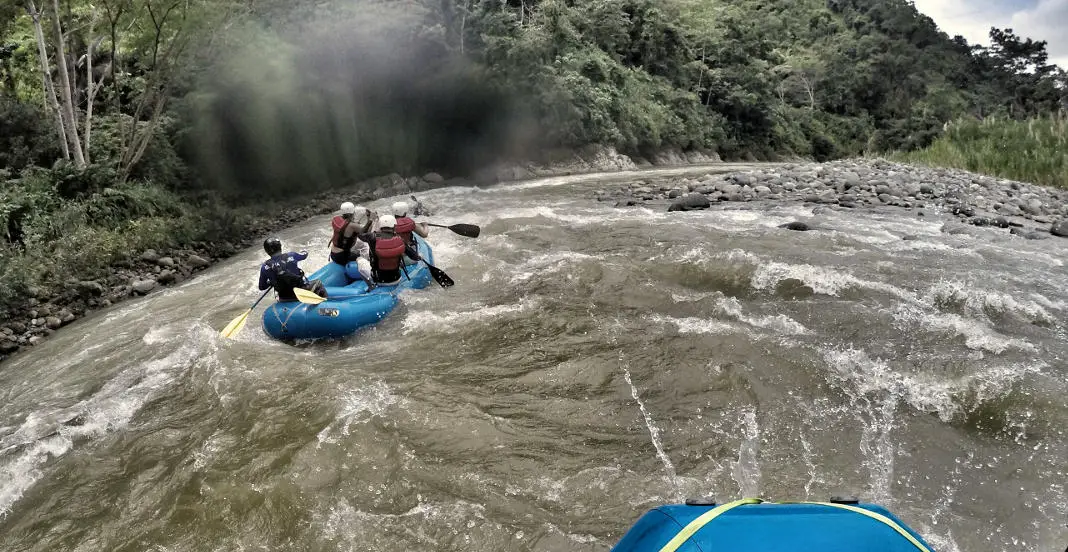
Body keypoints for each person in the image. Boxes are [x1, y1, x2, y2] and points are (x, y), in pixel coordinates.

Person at [259, 238, 326, 302]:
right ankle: (326, 304)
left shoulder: (264, 267)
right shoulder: (292, 255)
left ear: (267, 251)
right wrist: (304, 251)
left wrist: (271, 282)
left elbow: (262, 287)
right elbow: (304, 255)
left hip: (283, 297)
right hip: (301, 292)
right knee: (318, 283)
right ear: (280, 247)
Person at [360, 215, 422, 285]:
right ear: (394, 226)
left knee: (360, 260)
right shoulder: (400, 239)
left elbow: (360, 234)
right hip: (396, 279)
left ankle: (370, 286)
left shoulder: (372, 237)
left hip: (378, 280)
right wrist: (419, 257)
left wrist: (369, 222)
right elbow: (414, 257)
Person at [330, 202, 376, 289]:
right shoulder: (352, 226)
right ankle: (371, 283)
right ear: (352, 212)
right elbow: (366, 233)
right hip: (342, 256)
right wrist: (370, 219)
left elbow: (352, 229)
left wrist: (366, 219)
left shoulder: (336, 219)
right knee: (363, 259)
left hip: (333, 254)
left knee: (355, 251)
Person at [391, 201, 430, 265]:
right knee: (421, 255)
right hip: (409, 259)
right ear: (405, 212)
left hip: (394, 260)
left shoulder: (388, 224)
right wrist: (425, 225)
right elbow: (424, 234)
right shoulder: (410, 223)